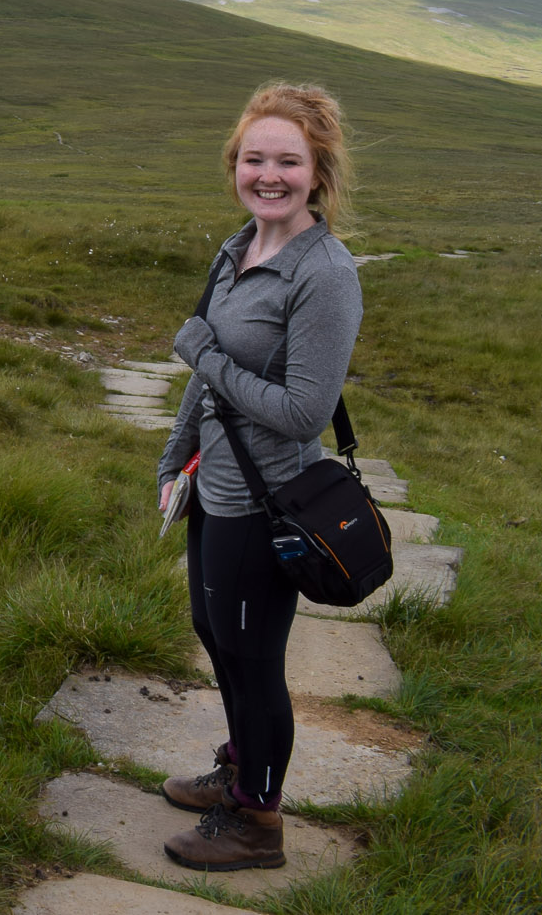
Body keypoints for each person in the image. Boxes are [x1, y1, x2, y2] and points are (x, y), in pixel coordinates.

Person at [153, 82, 363, 872]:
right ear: (235, 164)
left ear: (317, 171)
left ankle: (257, 821)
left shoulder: (325, 272)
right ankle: (239, 767)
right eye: (253, 158)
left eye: (287, 160)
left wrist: (203, 353)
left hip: (270, 499)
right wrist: (177, 453)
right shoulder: (238, 247)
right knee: (216, 634)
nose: (267, 174)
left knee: (252, 654)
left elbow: (304, 412)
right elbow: (206, 378)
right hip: (215, 487)